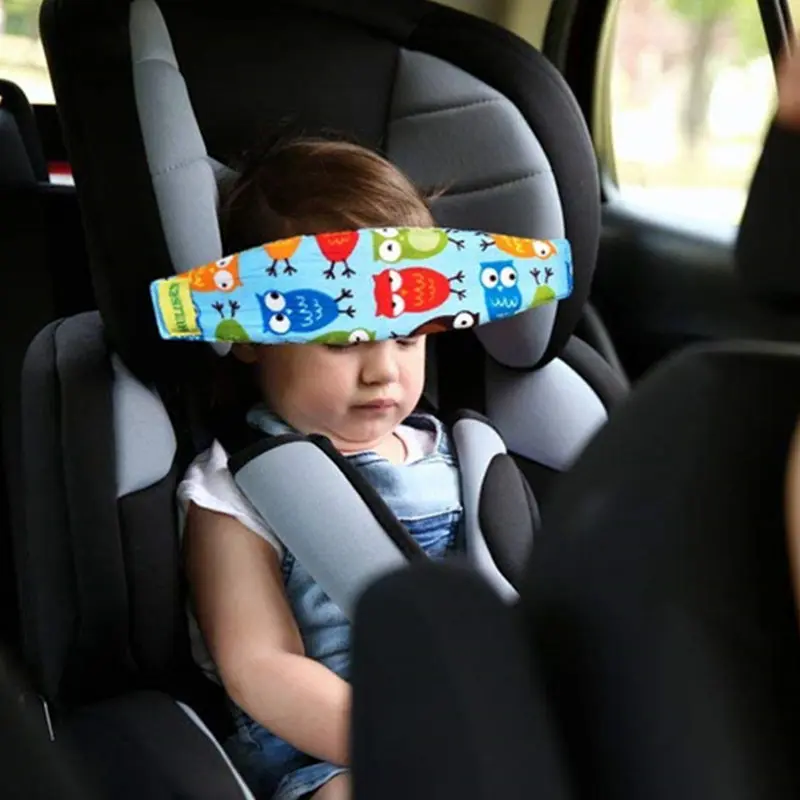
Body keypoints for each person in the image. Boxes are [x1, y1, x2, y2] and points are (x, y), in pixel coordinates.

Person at [178, 138, 463, 800]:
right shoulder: (237, 489)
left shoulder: (456, 453)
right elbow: (258, 665)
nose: (383, 370)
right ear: (250, 333)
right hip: (324, 755)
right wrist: (413, 744)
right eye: (342, 338)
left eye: (407, 335)